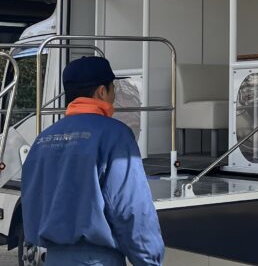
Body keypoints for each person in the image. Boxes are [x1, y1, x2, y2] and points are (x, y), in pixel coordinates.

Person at [21, 56, 164, 265]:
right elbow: (130, 208)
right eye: (113, 89)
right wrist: (149, 260)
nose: (114, 96)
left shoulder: (43, 139)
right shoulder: (115, 136)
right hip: (98, 259)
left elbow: (30, 204)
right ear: (102, 91)